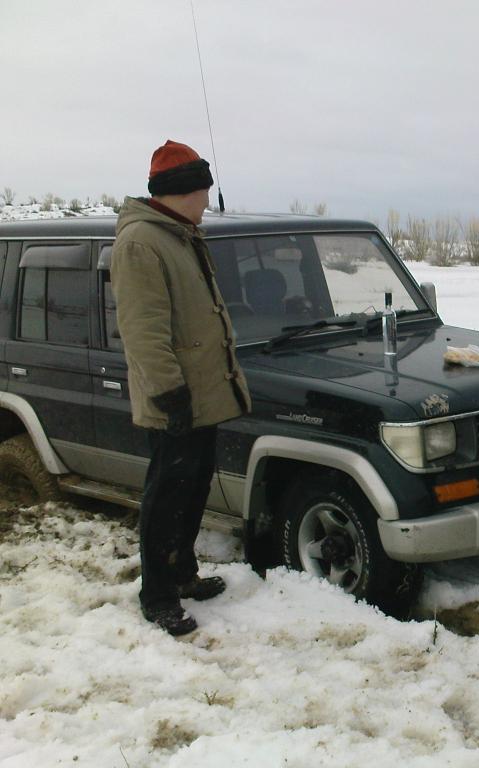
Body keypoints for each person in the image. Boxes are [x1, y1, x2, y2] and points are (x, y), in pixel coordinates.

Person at [112, 140, 252, 636]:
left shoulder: (180, 235)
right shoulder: (141, 244)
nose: (207, 200)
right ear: (180, 191)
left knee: (192, 488)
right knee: (166, 493)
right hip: (176, 397)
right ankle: (157, 594)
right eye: (202, 190)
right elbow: (143, 330)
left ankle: (183, 574)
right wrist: (169, 393)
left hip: (202, 394)